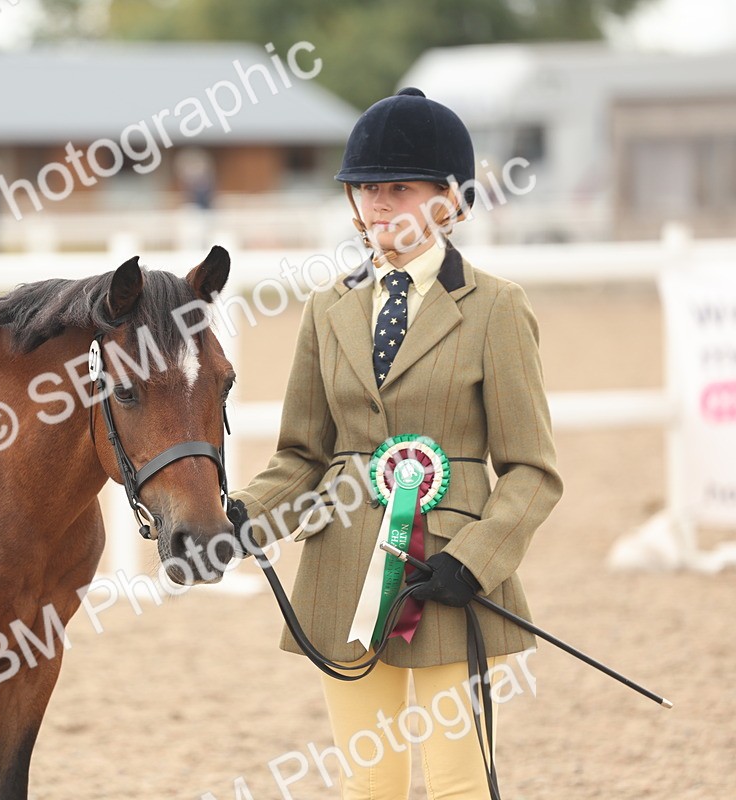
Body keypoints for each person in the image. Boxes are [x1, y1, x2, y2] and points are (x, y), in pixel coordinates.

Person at [227, 88, 562, 799]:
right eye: (365, 189)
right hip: (344, 570)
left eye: (399, 189)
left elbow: (533, 470)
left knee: (455, 784)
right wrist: (238, 518)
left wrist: (473, 562)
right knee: (368, 784)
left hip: (445, 577)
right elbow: (301, 457)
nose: (376, 207)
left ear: (452, 200)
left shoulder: (496, 308)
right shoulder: (327, 309)